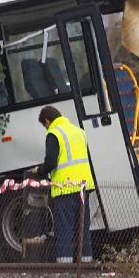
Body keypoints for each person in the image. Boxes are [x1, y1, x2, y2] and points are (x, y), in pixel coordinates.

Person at [34, 106, 96, 263]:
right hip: (83, 188)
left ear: (47, 121)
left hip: (65, 188)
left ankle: (65, 266)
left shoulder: (54, 134)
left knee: (64, 229)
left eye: (44, 125)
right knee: (82, 227)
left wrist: (39, 171)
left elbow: (51, 162)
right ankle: (86, 264)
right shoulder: (79, 132)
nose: (46, 128)